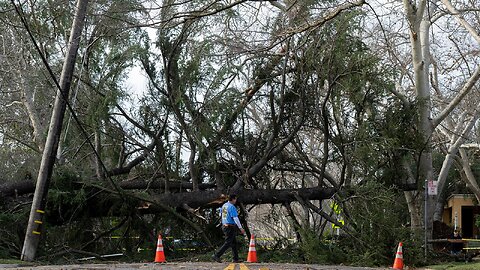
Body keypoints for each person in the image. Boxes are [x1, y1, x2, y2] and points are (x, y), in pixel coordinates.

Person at [212, 194, 245, 263]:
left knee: (234, 243)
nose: (236, 201)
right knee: (228, 243)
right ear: (233, 199)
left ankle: (235, 259)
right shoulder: (231, 207)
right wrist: (241, 228)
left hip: (225, 225)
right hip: (229, 227)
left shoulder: (224, 205)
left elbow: (220, 214)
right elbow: (235, 218)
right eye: (235, 199)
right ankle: (216, 255)